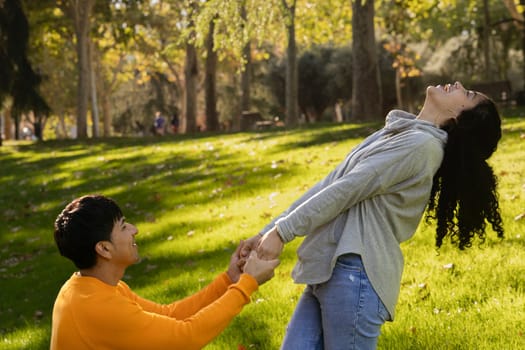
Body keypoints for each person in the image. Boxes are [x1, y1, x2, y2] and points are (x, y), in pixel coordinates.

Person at [240, 81, 504, 349]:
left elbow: (347, 189)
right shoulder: (398, 134)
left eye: (467, 94)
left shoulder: (421, 146)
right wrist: (267, 232)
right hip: (330, 267)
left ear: (460, 118)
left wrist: (282, 233)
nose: (458, 84)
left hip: (355, 275)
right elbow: (330, 183)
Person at [50, 194, 279, 350]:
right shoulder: (96, 306)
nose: (134, 230)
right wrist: (246, 284)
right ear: (104, 249)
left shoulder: (92, 287)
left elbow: (170, 315)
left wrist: (230, 280)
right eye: (123, 226)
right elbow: (186, 338)